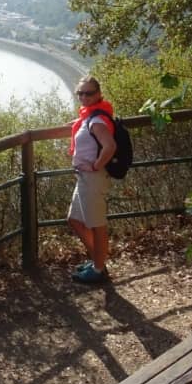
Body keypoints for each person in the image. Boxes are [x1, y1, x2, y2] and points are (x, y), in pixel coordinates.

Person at [67, 76, 117, 284]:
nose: (84, 97)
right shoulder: (88, 117)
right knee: (74, 219)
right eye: (80, 93)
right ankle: (98, 261)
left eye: (89, 93)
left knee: (97, 225)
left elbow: (110, 147)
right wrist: (78, 124)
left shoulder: (96, 120)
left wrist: (95, 166)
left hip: (93, 178)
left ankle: (98, 270)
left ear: (99, 94)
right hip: (85, 178)